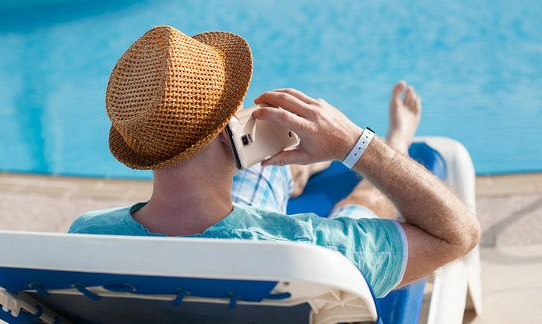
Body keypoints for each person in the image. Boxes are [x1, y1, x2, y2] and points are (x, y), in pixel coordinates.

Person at [69, 26, 480, 298]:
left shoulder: (86, 238)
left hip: (219, 226)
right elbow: (457, 233)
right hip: (273, 256)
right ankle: (393, 143)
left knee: (262, 181)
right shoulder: (312, 250)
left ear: (143, 148)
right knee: (362, 205)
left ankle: (297, 169)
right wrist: (355, 143)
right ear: (230, 127)